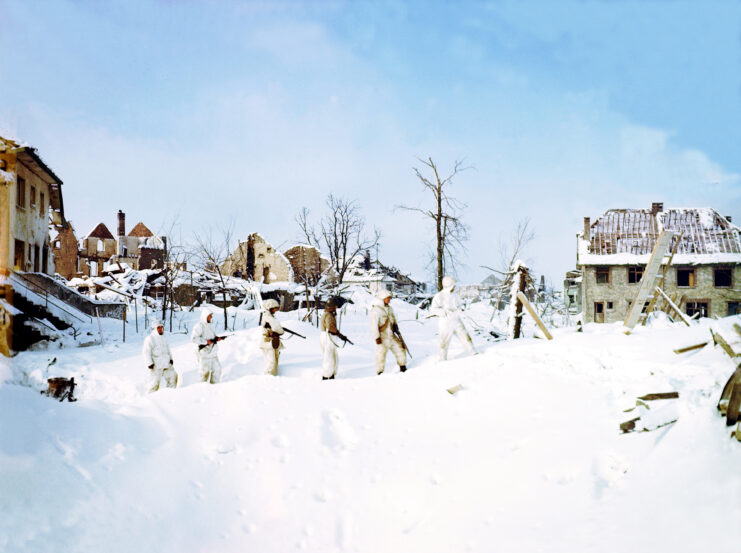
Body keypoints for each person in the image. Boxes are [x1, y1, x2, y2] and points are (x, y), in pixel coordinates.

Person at [430, 275, 476, 361]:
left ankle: (473, 352)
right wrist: (442, 312)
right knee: (444, 342)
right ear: (448, 285)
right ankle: (442, 359)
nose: (454, 287)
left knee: (465, 337)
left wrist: (461, 308)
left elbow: (459, 305)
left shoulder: (455, 295)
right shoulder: (439, 296)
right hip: (445, 322)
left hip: (456, 320)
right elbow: (433, 309)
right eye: (453, 285)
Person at [370, 289, 407, 374]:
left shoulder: (390, 309)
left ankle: (403, 367)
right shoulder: (376, 310)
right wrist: (376, 337)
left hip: (391, 335)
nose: (389, 299)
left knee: (400, 350)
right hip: (382, 337)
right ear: (382, 298)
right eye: (387, 298)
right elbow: (373, 325)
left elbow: (393, 319)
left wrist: (396, 327)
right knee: (380, 355)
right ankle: (380, 372)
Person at [142, 320, 178, 392]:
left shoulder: (164, 338)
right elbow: (146, 352)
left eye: (161, 327)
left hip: (166, 363)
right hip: (156, 366)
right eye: (158, 327)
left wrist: (171, 359)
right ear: (154, 329)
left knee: (173, 377)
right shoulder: (150, 339)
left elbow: (168, 350)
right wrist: (149, 363)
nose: (160, 329)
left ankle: (170, 394)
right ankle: (151, 398)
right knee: (154, 384)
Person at [190, 309, 222, 384]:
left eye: (211, 315)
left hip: (213, 353)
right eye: (209, 316)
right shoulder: (199, 325)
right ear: (205, 316)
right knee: (204, 374)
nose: (211, 317)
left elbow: (211, 337)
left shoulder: (210, 325)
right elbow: (193, 338)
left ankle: (214, 387)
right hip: (205, 354)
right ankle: (201, 391)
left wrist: (217, 338)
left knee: (217, 370)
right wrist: (205, 342)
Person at [320, 298, 349, 380]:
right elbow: (330, 327)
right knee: (328, 357)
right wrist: (339, 334)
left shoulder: (327, 313)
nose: (336, 307)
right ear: (332, 306)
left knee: (331, 356)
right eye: (335, 306)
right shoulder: (328, 315)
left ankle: (331, 373)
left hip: (326, 336)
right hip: (328, 337)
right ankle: (326, 376)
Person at [261, 298, 284, 376]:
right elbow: (278, 329)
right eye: (275, 308)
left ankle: (273, 376)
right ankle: (269, 377)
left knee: (274, 359)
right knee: (271, 361)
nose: (276, 310)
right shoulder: (268, 317)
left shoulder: (269, 316)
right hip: (269, 342)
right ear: (270, 308)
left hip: (271, 341)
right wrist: (281, 331)